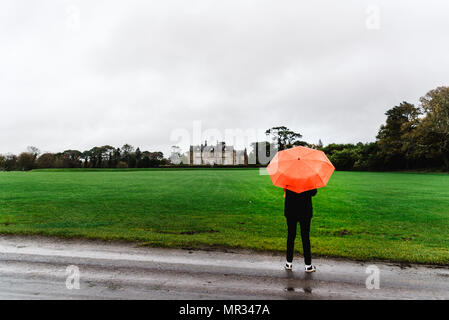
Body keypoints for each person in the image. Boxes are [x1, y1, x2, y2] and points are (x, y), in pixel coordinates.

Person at [283, 188, 317, 272]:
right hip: (305, 211)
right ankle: (308, 265)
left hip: (290, 210)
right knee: (305, 237)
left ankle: (288, 263)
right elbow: (313, 193)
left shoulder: (288, 177)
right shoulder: (308, 178)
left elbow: (286, 192)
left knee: (291, 236)